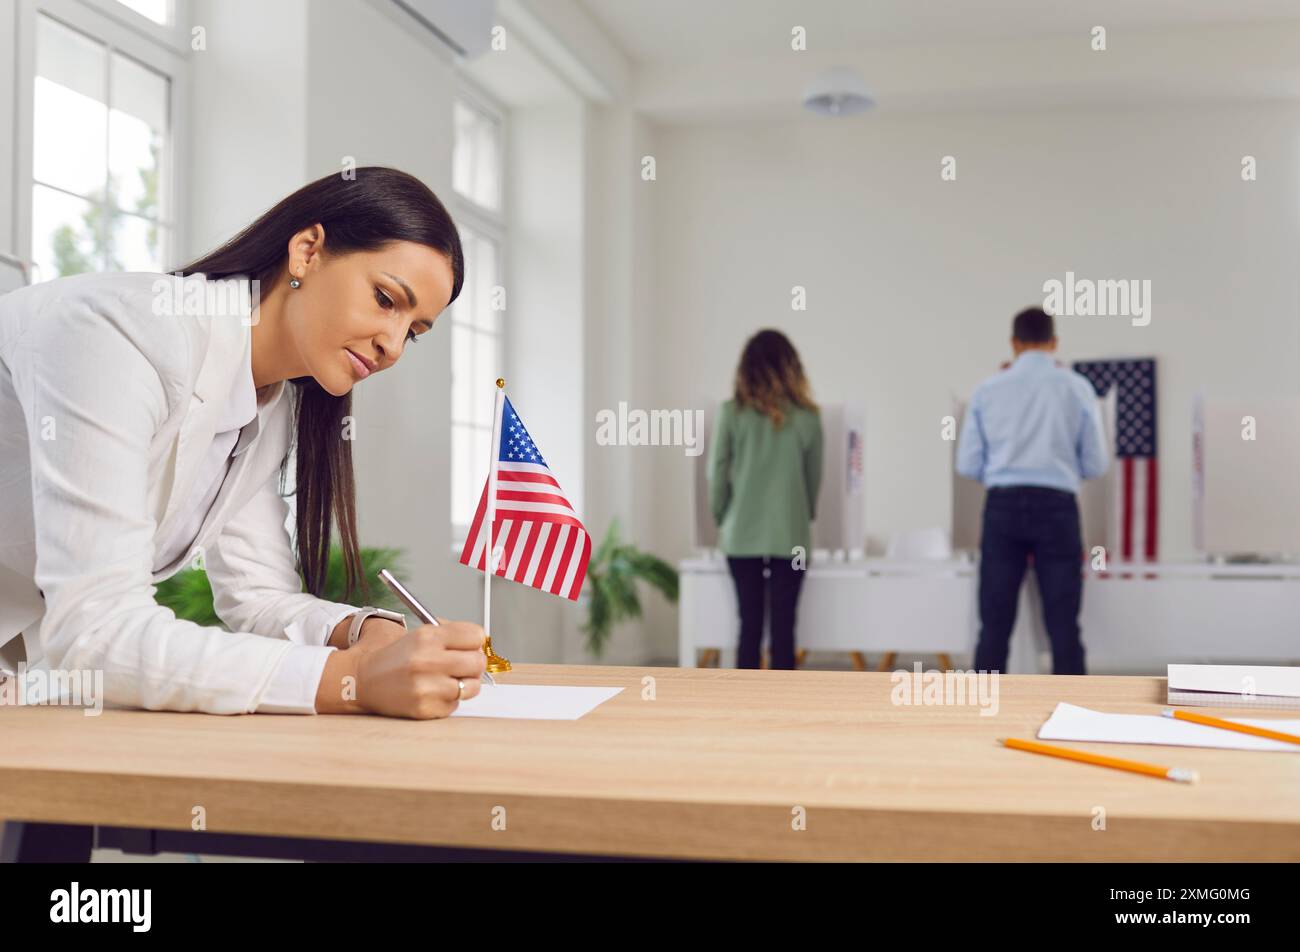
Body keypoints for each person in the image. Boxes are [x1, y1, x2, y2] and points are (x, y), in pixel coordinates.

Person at [0, 167, 488, 717]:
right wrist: (352, 678)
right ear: (307, 251)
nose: (393, 345)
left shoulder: (267, 403)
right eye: (385, 299)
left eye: (414, 333)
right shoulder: (122, 334)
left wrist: (360, 632)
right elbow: (96, 628)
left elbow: (256, 597)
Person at [956, 307, 1109, 674]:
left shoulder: (987, 390)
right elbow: (1096, 464)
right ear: (1054, 343)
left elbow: (967, 464)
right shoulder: (1078, 388)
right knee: (1063, 626)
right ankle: (1073, 716)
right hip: (1057, 509)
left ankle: (982, 711)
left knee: (993, 625)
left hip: (1002, 508)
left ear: (1014, 344)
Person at [708, 329, 823, 670]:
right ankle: (783, 711)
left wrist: (723, 518)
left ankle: (745, 712)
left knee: (749, 626)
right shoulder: (808, 418)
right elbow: (813, 480)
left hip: (741, 535)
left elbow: (716, 474)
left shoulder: (731, 413)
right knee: (785, 629)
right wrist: (804, 515)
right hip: (791, 536)